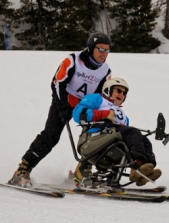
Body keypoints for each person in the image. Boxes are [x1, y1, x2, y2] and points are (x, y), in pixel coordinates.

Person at [8, 32, 113, 187]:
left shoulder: (105, 71)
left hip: (84, 106)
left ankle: (82, 171)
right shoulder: (73, 60)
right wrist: (62, 105)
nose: (104, 54)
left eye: (107, 50)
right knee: (51, 136)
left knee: (95, 136)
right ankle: (23, 169)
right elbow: (58, 82)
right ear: (91, 48)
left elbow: (101, 96)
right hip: (63, 101)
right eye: (100, 49)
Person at [72, 77, 162, 186]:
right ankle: (137, 165)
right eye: (118, 91)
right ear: (108, 90)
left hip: (111, 143)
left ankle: (144, 170)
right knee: (133, 132)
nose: (121, 94)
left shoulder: (123, 114)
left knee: (144, 140)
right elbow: (77, 114)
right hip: (93, 140)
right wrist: (103, 114)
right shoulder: (97, 99)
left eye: (124, 93)